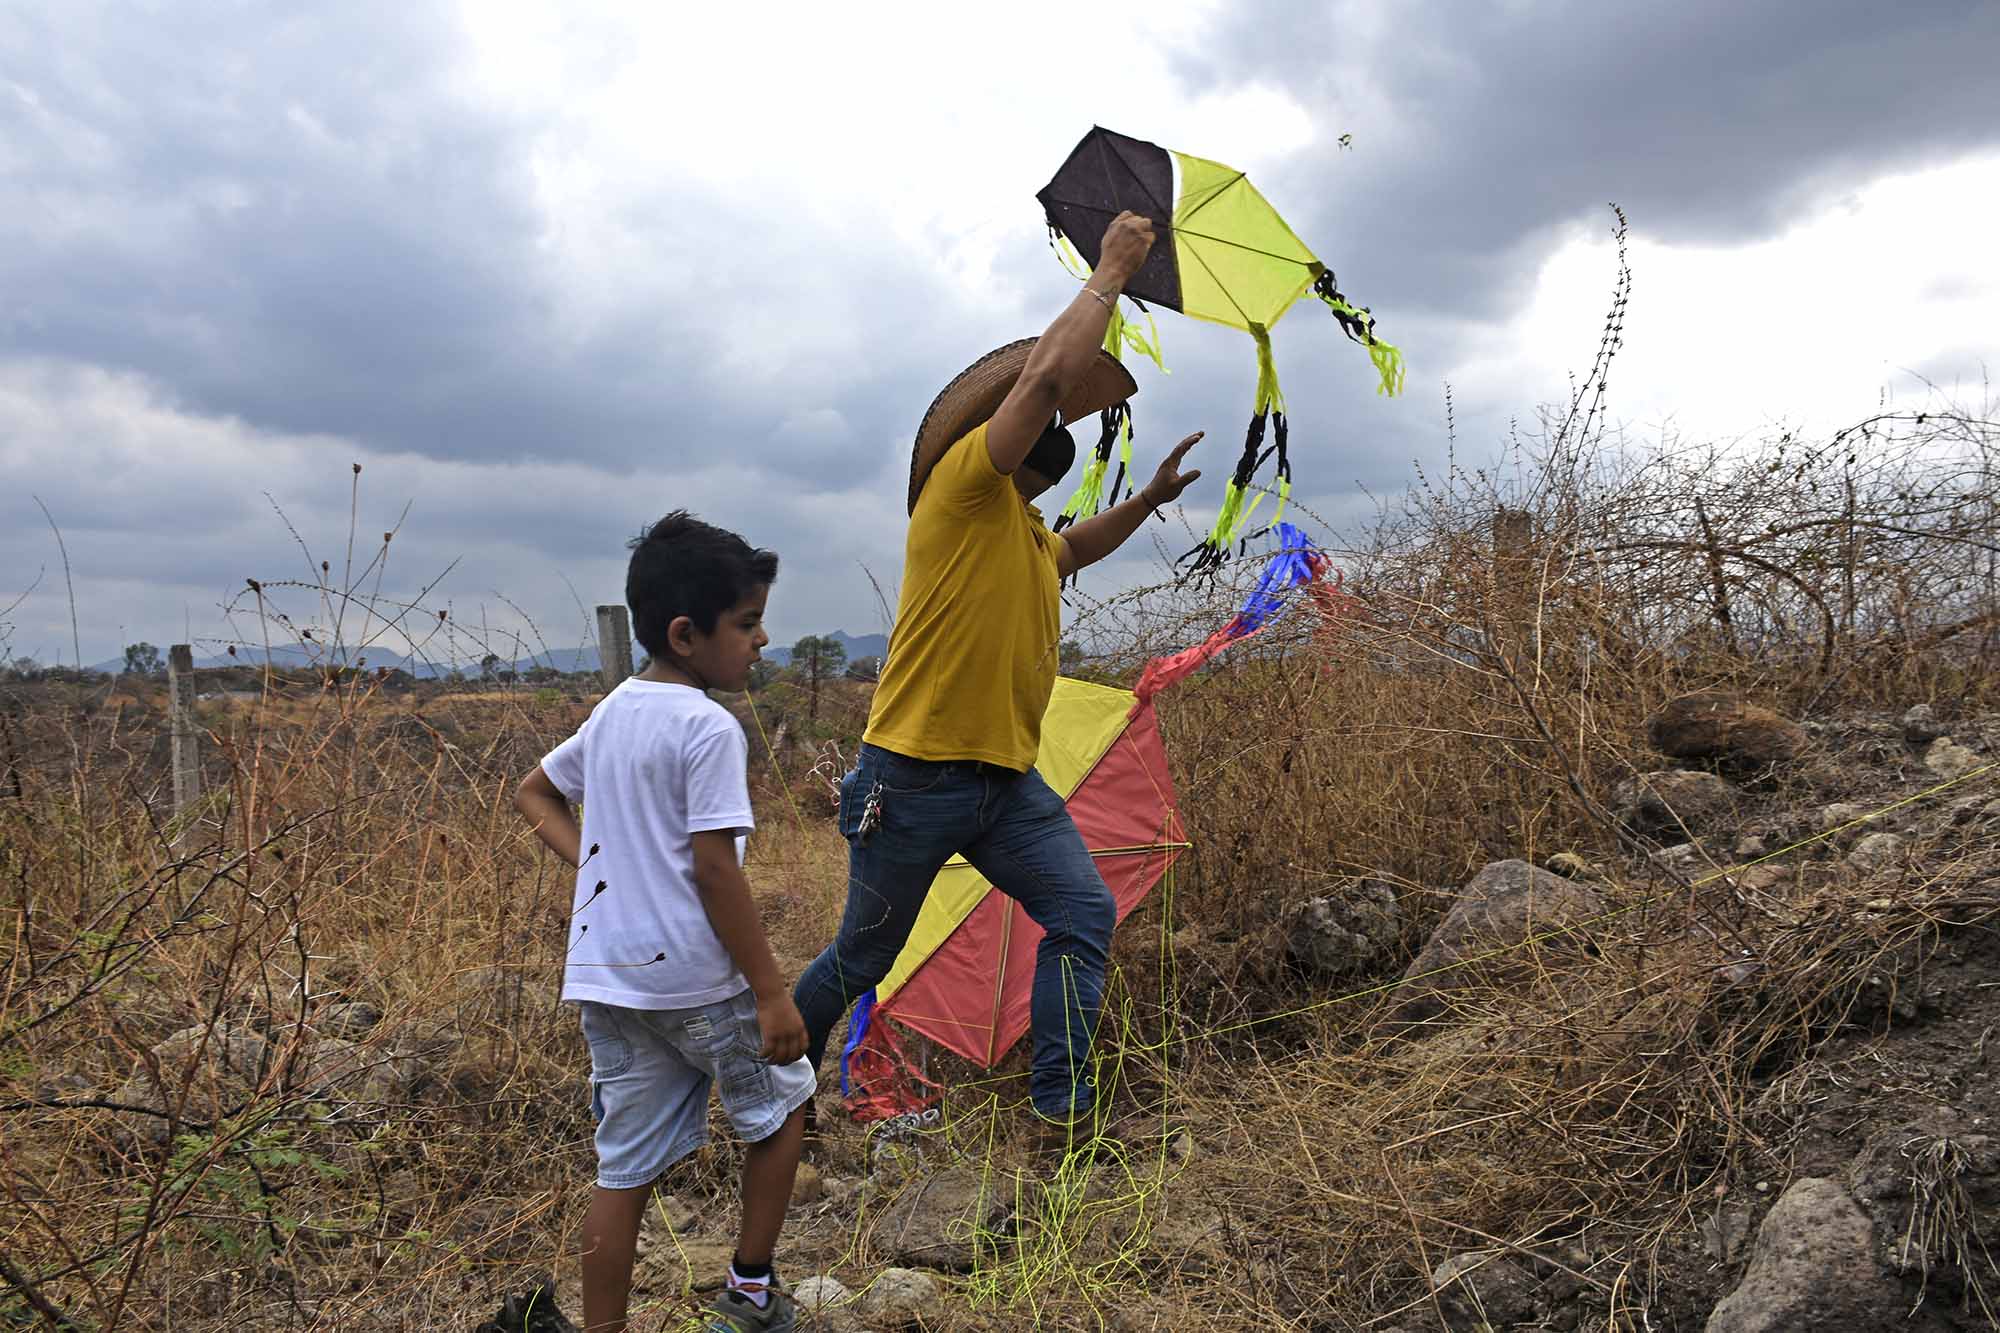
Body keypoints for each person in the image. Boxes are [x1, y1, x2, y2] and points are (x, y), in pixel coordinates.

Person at [792, 210, 1202, 1145]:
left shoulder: (1019, 531)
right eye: (1041, 417)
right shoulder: (964, 491)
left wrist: (1146, 498)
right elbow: (1047, 375)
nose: (1053, 424)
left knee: (1080, 911)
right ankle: (769, 1096)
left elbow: (1075, 549)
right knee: (864, 955)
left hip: (1004, 786)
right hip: (912, 781)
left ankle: (1060, 1118)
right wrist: (1111, 271)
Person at [515, 512, 810, 1333]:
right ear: (687, 634)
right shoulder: (709, 726)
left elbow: (532, 792)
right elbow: (716, 871)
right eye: (746, 623)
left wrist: (600, 867)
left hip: (607, 978)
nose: (759, 641)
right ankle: (750, 1297)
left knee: (625, 1167)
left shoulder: (613, 712)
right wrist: (772, 990)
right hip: (697, 977)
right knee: (782, 1115)